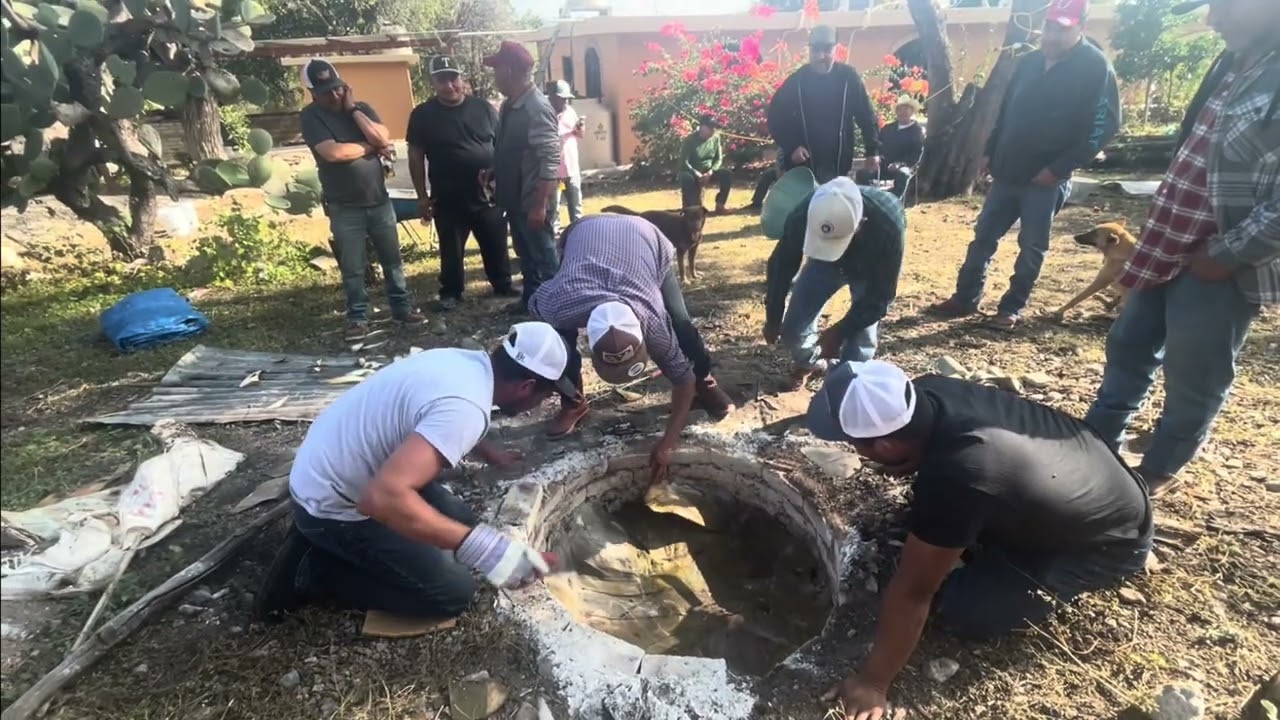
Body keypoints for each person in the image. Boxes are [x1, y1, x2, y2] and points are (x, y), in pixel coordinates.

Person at [808, 360, 1153, 717]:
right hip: (1096, 478)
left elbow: (914, 592)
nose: (853, 448)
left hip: (1108, 543)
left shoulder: (960, 474)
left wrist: (873, 682)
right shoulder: (930, 390)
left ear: (887, 444)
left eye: (853, 442)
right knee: (939, 521)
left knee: (966, 609)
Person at [254, 322, 578, 622]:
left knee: (463, 521)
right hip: (334, 503)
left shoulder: (463, 363)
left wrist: (491, 454)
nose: (542, 403)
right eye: (546, 395)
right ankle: (312, 569)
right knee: (452, 593)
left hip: (340, 468)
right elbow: (381, 499)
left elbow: (438, 416)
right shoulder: (465, 409)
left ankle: (333, 543)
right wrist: (493, 553)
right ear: (526, 386)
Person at [1084, 0, 1279, 496]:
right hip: (1168, 240)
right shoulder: (1233, 63)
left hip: (1221, 259)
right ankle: (1097, 442)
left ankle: (1157, 471)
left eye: (1227, 5)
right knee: (1129, 343)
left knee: (1195, 370)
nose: (1214, 19)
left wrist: (1228, 254)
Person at [929, 0, 1121, 330]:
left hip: (1046, 178)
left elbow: (1104, 127)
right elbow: (1006, 110)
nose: (1052, 36)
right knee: (983, 237)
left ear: (1081, 28)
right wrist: (990, 150)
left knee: (1031, 246)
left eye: (1062, 29)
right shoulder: (1029, 61)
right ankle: (965, 297)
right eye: (1049, 27)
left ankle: (1011, 308)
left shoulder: (1096, 67)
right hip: (1007, 169)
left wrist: (1060, 168)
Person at [527, 214, 736, 474]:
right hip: (586, 233)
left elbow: (683, 380)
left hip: (644, 238)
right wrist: (555, 362)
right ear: (590, 340)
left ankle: (704, 381)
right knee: (557, 341)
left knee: (682, 325)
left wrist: (668, 443)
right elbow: (535, 309)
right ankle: (574, 402)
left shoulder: (652, 321)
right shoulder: (558, 305)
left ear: (642, 336)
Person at [299, 59, 423, 341]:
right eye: (326, 92)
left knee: (392, 260)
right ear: (312, 93)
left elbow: (383, 136)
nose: (334, 95)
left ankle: (402, 309)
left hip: (379, 200)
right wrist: (371, 147)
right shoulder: (311, 117)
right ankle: (358, 317)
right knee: (353, 267)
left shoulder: (362, 109)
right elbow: (333, 153)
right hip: (344, 205)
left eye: (338, 88)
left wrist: (353, 110)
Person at [764, 177, 905, 388]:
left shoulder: (888, 226)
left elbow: (879, 299)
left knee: (861, 337)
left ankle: (846, 384)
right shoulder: (803, 215)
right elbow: (781, 266)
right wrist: (773, 316)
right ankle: (809, 363)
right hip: (822, 262)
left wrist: (840, 332)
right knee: (794, 328)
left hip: (870, 265)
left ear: (862, 222)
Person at [407, 55, 517, 311]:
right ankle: (451, 292)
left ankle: (502, 284)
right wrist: (422, 196)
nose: (449, 85)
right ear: (433, 83)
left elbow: (502, 145)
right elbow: (415, 156)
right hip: (448, 195)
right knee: (451, 248)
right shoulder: (422, 115)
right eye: (442, 80)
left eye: (453, 78)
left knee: (496, 242)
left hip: (487, 194)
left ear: (461, 78)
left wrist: (502, 178)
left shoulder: (484, 108)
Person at [487, 40, 561, 314]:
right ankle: (531, 300)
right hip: (515, 198)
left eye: (496, 69)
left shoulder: (536, 107)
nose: (494, 76)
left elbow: (550, 161)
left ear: (507, 71)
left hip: (532, 199)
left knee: (544, 257)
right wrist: (495, 169)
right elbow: (515, 149)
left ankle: (556, 309)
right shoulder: (510, 105)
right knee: (526, 254)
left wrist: (540, 205)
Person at [766, 24, 880, 184]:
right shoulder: (797, 80)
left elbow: (866, 115)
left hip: (838, 162)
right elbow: (775, 116)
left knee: (833, 199)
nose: (821, 56)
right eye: (816, 50)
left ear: (835, 50)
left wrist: (872, 150)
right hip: (803, 163)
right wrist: (792, 146)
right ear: (810, 51)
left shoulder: (848, 78)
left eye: (827, 50)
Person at [855, 96, 924, 199]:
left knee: (902, 175)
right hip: (883, 165)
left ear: (912, 111)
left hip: (904, 166)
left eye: (906, 109)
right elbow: (878, 145)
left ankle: (894, 202)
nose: (903, 112)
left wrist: (899, 164)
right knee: (862, 174)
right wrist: (875, 158)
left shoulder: (917, 131)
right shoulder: (888, 128)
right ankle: (870, 200)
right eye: (900, 109)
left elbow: (916, 154)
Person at [546, 80, 585, 234]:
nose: (564, 101)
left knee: (576, 207)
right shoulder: (545, 113)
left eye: (566, 98)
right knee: (553, 208)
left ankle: (578, 235)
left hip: (571, 168)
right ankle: (553, 237)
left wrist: (580, 127)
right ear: (552, 97)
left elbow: (580, 134)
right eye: (561, 98)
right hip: (553, 171)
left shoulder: (570, 111)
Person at [678, 116, 733, 213]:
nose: (713, 130)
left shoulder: (715, 139)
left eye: (715, 128)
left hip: (709, 171)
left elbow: (718, 159)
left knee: (726, 174)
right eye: (711, 128)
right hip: (693, 171)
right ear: (702, 127)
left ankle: (720, 205)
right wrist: (696, 174)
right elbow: (684, 162)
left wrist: (710, 171)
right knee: (685, 177)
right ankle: (691, 206)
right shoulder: (690, 140)